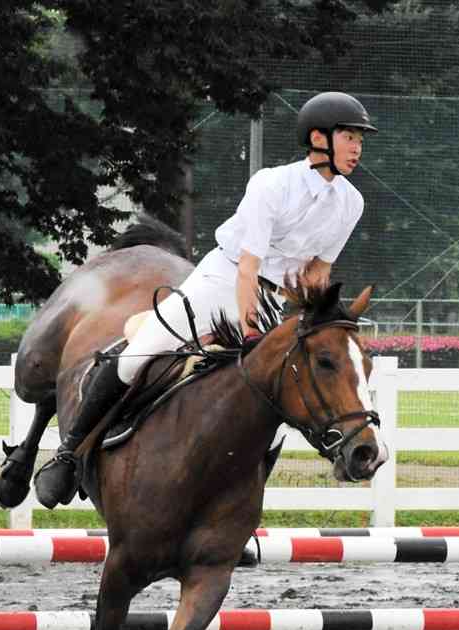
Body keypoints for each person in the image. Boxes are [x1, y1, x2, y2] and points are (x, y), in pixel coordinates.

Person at [38, 91, 378, 506]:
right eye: (349, 136)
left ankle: (238, 505)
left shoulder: (351, 203)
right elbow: (248, 264)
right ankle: (68, 454)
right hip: (222, 280)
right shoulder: (272, 184)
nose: (358, 146)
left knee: (280, 400)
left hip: (272, 298)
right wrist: (250, 326)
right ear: (317, 137)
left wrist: (320, 312)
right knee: (137, 355)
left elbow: (316, 273)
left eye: (360, 138)